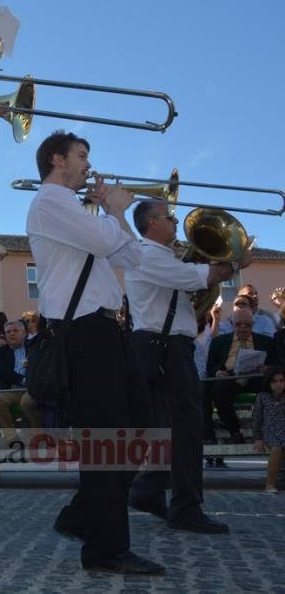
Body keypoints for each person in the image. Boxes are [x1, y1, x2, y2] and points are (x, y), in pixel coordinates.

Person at [26, 131, 164, 575]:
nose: (89, 164)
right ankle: (105, 550)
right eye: (82, 156)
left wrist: (114, 215)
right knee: (108, 442)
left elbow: (133, 258)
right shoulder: (51, 201)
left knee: (140, 430)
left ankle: (84, 515)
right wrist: (117, 210)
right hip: (84, 333)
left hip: (107, 330)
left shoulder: (74, 209)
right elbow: (110, 244)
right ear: (57, 159)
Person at [124, 198, 247, 533]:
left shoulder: (161, 255)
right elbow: (198, 277)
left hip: (164, 347)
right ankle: (185, 507)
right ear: (152, 223)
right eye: (170, 217)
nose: (176, 222)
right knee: (188, 430)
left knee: (171, 428)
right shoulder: (147, 254)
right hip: (162, 348)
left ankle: (150, 490)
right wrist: (237, 264)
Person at [204, 308, 276, 443]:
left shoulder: (265, 341)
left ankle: (269, 431)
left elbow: (275, 362)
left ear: (252, 325)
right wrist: (217, 372)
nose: (243, 327)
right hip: (230, 376)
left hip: (256, 376)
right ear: (232, 324)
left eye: (247, 324)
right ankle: (234, 431)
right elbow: (211, 365)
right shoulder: (219, 341)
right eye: (239, 324)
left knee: (272, 387)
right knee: (219, 389)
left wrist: (267, 368)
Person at [253, 366, 285, 493]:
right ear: (269, 383)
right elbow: (256, 420)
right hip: (270, 430)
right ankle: (270, 484)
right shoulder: (262, 397)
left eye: (281, 381)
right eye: (274, 381)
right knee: (277, 448)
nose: (278, 384)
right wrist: (258, 438)